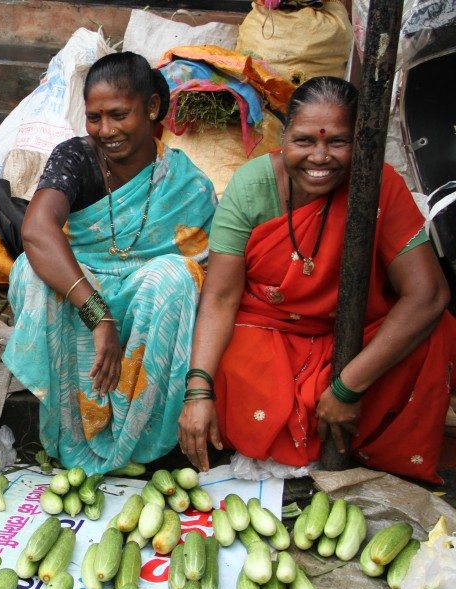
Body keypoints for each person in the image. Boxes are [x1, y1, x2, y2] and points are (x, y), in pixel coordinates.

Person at [177, 76, 456, 483]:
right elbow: (220, 297)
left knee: (434, 333)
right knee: (222, 363)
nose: (320, 157)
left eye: (338, 142)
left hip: (352, 337)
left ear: (360, 143)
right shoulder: (251, 187)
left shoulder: (378, 184)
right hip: (268, 330)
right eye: (305, 141)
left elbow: (429, 294)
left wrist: (348, 387)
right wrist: (198, 391)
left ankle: (358, 437)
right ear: (284, 136)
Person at [2, 52, 217, 474]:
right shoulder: (76, 157)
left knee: (175, 277)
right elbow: (37, 229)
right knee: (31, 269)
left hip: (145, 302)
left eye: (118, 115)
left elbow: (207, 268)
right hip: (83, 293)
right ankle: (66, 434)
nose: (105, 130)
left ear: (152, 108)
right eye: (94, 117)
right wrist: (99, 315)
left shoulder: (186, 182)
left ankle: (138, 442)